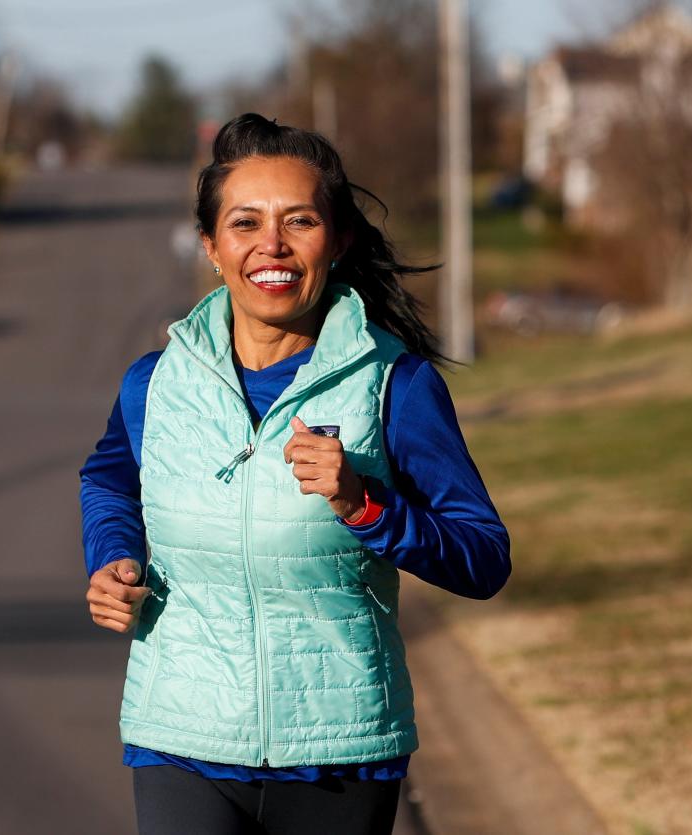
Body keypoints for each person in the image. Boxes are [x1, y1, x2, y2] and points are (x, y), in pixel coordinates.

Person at [80, 113, 511, 835]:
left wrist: (366, 505)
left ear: (337, 241)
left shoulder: (393, 385)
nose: (270, 245)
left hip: (340, 753)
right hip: (182, 736)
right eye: (245, 223)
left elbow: (484, 557)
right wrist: (113, 556)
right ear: (212, 247)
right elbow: (110, 477)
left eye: (299, 221)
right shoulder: (155, 383)